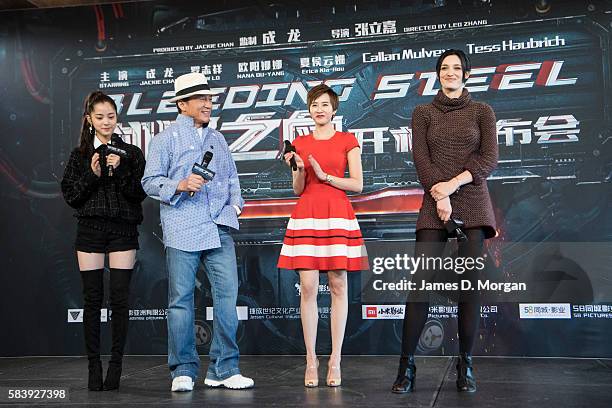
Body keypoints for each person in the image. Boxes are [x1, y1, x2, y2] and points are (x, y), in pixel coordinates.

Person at [391, 49, 498, 394]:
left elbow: (489, 159)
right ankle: (406, 368)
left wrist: (452, 187)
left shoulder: (483, 111)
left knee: (468, 289)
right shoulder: (423, 112)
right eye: (444, 68)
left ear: (466, 73)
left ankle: (465, 366)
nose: (450, 73)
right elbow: (421, 160)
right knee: (420, 287)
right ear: (437, 74)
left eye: (456, 68)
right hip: (434, 203)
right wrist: (441, 197)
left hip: (472, 201)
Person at [142, 72, 253, 392]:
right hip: (182, 226)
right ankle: (183, 369)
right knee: (180, 301)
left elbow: (232, 178)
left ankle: (224, 367)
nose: (208, 104)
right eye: (201, 100)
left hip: (219, 225)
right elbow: (149, 182)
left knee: (227, 297)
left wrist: (234, 207)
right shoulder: (165, 139)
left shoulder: (217, 139)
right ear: (182, 104)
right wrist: (180, 184)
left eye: (209, 99)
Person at [278, 84, 369, 388]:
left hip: (337, 212)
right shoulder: (299, 143)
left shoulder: (347, 140)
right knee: (307, 287)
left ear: (334, 109)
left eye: (325, 104)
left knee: (338, 284)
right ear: (309, 109)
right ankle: (310, 360)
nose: (320, 109)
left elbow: (357, 185)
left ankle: (335, 360)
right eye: (315, 104)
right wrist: (301, 169)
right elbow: (297, 189)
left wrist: (325, 174)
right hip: (307, 212)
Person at [61, 91, 147, 391]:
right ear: (89, 120)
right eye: (100, 117)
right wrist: (93, 174)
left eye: (111, 116)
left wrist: (121, 170)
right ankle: (93, 366)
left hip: (123, 231)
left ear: (117, 118)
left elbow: (139, 194)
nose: (106, 122)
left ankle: (116, 366)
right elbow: (72, 196)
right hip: (90, 232)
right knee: (92, 300)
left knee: (120, 300)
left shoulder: (132, 153)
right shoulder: (79, 156)